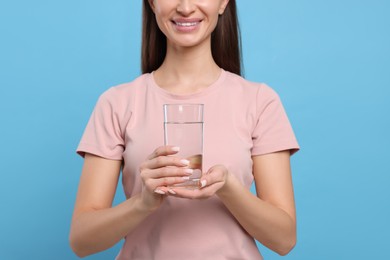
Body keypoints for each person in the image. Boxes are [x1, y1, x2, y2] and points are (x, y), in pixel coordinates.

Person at [69, 0, 300, 259]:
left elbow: (284, 239)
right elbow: (81, 240)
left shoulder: (259, 102)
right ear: (152, 3)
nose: (186, 7)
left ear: (223, 3)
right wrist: (141, 203)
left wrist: (228, 189)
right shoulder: (117, 103)